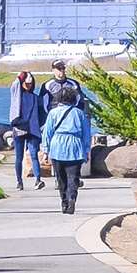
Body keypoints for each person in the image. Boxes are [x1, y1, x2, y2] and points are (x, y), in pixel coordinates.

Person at [41, 77, 98, 214]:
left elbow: (47, 132)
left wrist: (45, 150)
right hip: (75, 146)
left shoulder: (53, 113)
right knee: (74, 176)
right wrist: (86, 151)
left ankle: (64, 201)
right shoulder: (79, 114)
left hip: (57, 146)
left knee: (60, 178)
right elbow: (86, 134)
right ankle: (72, 197)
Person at [9, 67, 50, 188]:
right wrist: (23, 74)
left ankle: (38, 179)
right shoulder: (17, 95)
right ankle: (19, 181)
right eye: (26, 83)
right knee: (19, 157)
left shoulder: (36, 98)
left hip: (33, 130)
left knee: (34, 155)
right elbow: (15, 84)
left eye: (30, 83)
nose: (28, 85)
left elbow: (43, 112)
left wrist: (41, 126)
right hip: (19, 128)